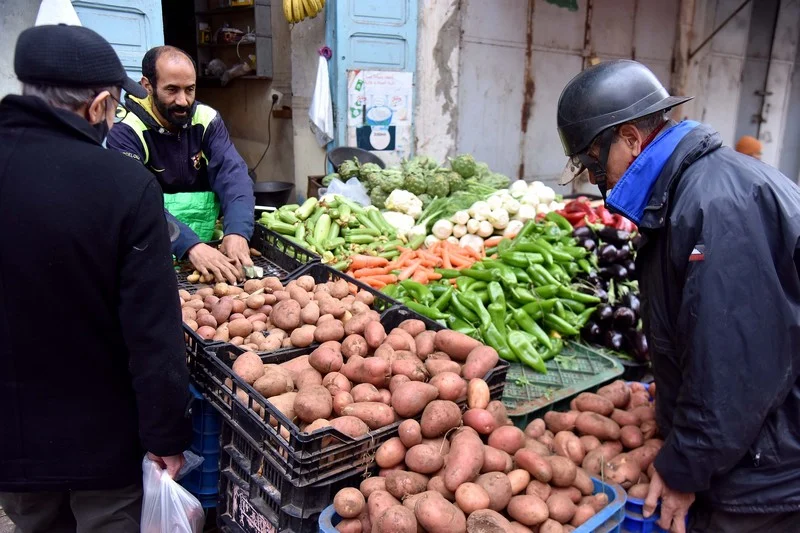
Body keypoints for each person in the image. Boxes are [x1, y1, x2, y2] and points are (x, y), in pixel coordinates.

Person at [557, 59, 800, 533]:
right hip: (754, 450)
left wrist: (684, 466)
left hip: (767, 470)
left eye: (592, 162)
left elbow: (738, 365)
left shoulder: (719, 206)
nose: (592, 179)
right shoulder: (692, 191)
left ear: (630, 138)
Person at [0, 25, 191, 532]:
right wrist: (166, 436)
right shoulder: (123, 185)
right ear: (99, 105)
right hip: (101, 442)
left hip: (10, 439)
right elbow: (153, 333)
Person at [107, 45, 256, 285]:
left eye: (190, 89)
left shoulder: (206, 120)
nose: (183, 101)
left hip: (209, 239)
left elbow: (233, 175)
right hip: (153, 244)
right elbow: (137, 204)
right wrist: (190, 245)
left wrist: (237, 230)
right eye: (172, 90)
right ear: (147, 86)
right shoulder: (127, 133)